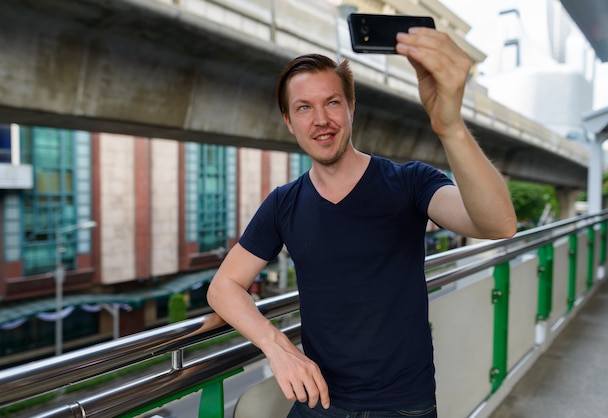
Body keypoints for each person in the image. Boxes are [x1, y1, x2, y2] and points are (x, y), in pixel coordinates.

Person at [207, 26, 517, 418]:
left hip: (403, 406)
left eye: (332, 103)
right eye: (304, 107)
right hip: (319, 402)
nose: (321, 119)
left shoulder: (410, 182)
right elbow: (223, 286)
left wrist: (449, 127)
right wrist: (279, 348)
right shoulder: (283, 203)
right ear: (289, 121)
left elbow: (499, 225)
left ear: (352, 108)